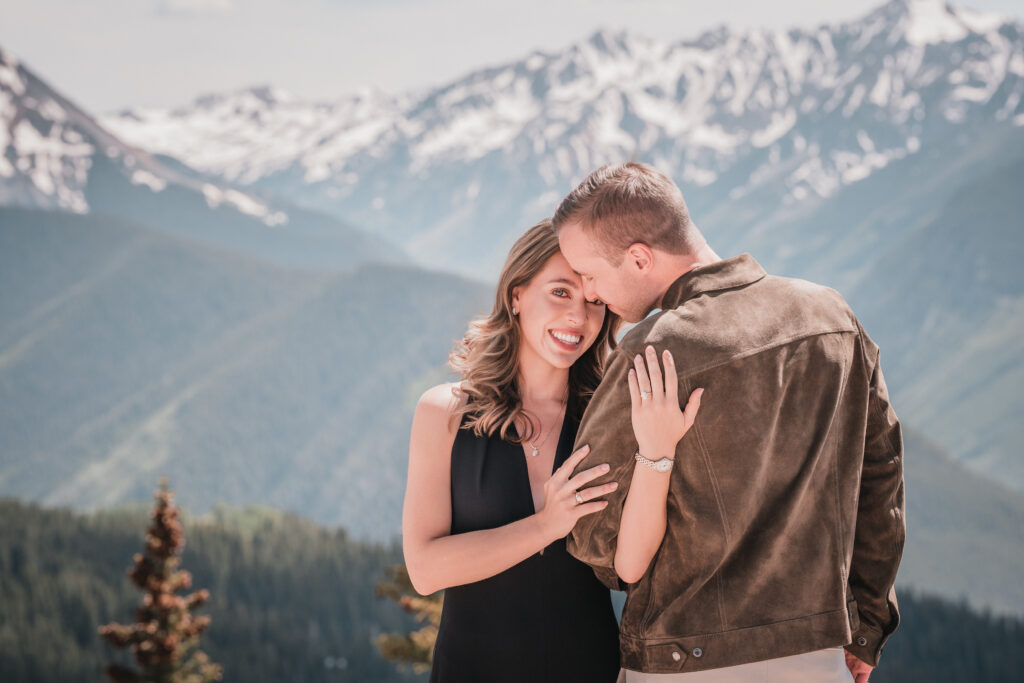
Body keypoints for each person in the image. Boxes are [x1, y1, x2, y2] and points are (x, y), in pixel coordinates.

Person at [552, 162, 905, 683]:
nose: (588, 292)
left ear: (639, 258)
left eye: (589, 273)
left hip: (683, 662)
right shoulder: (832, 318)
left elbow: (599, 541)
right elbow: (882, 479)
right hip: (818, 654)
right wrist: (868, 625)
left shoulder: (648, 354)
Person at [401, 219, 701, 683]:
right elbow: (424, 569)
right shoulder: (444, 412)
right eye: (560, 292)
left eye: (594, 302)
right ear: (516, 295)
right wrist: (546, 525)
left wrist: (657, 452)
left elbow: (631, 565)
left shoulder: (613, 417)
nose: (578, 318)